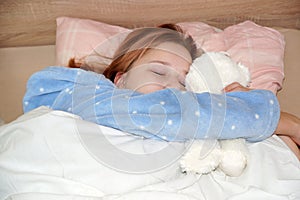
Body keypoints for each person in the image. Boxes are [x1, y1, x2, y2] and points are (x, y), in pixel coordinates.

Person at [24, 24, 299, 159]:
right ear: (120, 78)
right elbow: (168, 110)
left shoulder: (200, 129)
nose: (174, 88)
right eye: (158, 71)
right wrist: (268, 114)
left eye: (185, 82)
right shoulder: (69, 87)